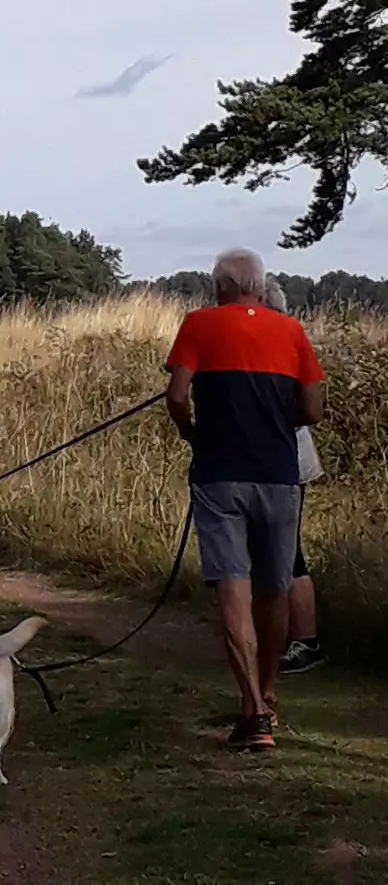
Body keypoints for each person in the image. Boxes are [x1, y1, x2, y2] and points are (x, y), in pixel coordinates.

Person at [165, 249, 326, 752]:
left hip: (219, 477)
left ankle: (252, 709)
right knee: (275, 588)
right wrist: (274, 423)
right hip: (279, 477)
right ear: (258, 286)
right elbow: (315, 409)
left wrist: (192, 431)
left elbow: (175, 396)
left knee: (234, 590)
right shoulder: (292, 331)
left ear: (222, 288)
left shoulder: (198, 325)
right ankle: (269, 694)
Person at [263, 278, 326, 673]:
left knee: (289, 556)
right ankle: (284, 636)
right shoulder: (285, 344)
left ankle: (306, 642)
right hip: (280, 462)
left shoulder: (278, 347)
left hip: (286, 462)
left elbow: (309, 408)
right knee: (278, 553)